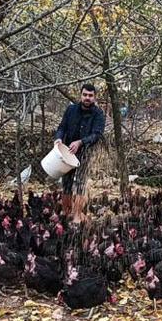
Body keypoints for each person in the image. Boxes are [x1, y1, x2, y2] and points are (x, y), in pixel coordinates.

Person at [53, 83, 105, 221]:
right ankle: (66, 212)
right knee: (67, 183)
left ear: (94, 97)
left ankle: (77, 215)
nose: (87, 98)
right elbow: (62, 127)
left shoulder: (98, 114)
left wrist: (81, 142)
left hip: (85, 153)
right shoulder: (71, 110)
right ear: (81, 95)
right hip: (68, 152)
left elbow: (97, 135)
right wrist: (58, 139)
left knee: (81, 184)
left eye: (90, 95)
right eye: (85, 95)